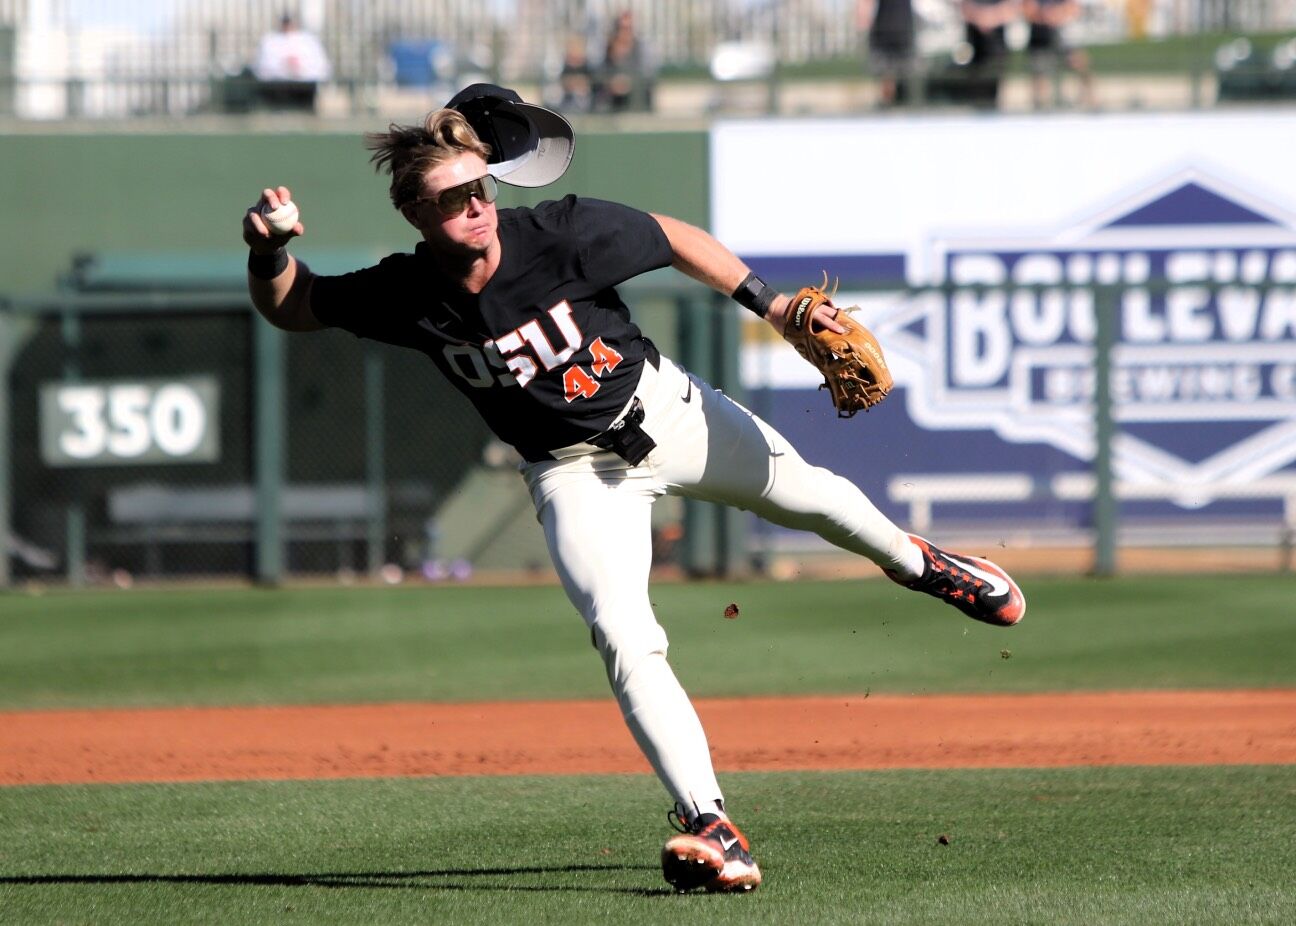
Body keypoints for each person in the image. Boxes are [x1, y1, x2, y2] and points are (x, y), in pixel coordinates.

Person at [240, 84, 1026, 894]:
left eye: (481, 188)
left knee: (818, 500)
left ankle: (920, 564)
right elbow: (296, 306)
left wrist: (776, 303)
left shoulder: (560, 232)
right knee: (624, 635)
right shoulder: (407, 291)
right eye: (451, 199)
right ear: (413, 211)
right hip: (574, 473)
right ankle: (712, 825)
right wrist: (268, 252)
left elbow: (672, 238)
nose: (474, 208)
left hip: (666, 410)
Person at [252, 12, 331, 109]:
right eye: (285, 23)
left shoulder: (308, 40)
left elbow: (320, 64)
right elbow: (262, 65)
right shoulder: (270, 40)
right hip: (278, 85)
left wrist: (301, 66)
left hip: (304, 85)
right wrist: (283, 65)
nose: (287, 26)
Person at [1024, 0, 1095, 109]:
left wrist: (1058, 14)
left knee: (1080, 61)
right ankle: (1040, 108)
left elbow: (1074, 8)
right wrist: (1045, 16)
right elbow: (1028, 10)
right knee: (1039, 73)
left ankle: (1090, 102)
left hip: (1062, 36)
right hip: (1040, 39)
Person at [857, 0, 918, 108]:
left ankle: (899, 101)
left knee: (905, 75)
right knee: (887, 74)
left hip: (902, 31)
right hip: (887, 32)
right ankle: (889, 102)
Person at [959, 0, 1019, 107]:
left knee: (995, 93)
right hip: (975, 49)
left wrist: (990, 18)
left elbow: (1011, 8)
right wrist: (980, 18)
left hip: (997, 48)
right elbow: (964, 6)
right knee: (976, 92)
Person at [595, 9, 656, 112]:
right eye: (621, 28)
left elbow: (648, 74)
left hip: (636, 104)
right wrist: (611, 83)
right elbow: (598, 73)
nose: (624, 32)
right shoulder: (607, 49)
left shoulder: (641, 49)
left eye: (628, 28)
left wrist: (629, 82)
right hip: (611, 104)